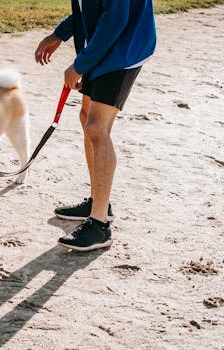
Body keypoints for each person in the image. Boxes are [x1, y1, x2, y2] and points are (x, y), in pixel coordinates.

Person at [34, 0, 157, 252]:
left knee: (97, 128)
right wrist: (60, 34)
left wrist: (80, 65)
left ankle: (99, 225)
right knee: (86, 116)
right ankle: (98, 203)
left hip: (125, 47)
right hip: (104, 43)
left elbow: (116, 19)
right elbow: (88, 7)